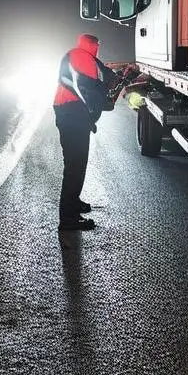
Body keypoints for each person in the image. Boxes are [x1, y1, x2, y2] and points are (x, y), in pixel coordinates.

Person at [52, 33, 119, 231]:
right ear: (93, 45)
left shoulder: (80, 55)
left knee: (77, 164)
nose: (99, 47)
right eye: (98, 44)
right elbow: (88, 89)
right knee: (75, 165)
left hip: (71, 113)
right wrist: (101, 104)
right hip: (72, 114)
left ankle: (73, 202)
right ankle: (68, 218)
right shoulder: (82, 58)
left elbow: (99, 77)